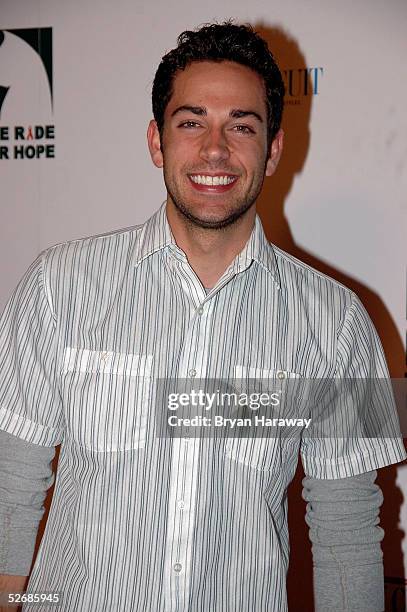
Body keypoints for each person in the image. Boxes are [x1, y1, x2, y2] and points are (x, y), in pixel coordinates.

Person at [0, 21, 405, 612]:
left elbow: (347, 534)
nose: (215, 149)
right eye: (191, 123)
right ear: (156, 142)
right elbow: (12, 488)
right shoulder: (56, 285)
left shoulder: (339, 321)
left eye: (241, 126)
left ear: (273, 151)